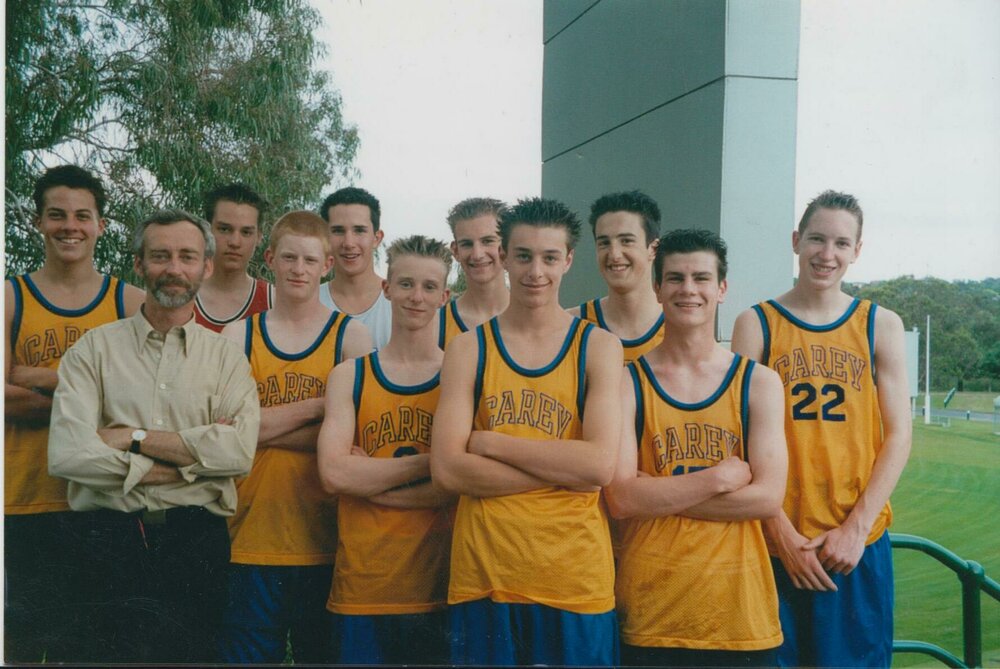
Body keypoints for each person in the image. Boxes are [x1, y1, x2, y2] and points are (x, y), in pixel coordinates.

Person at [48, 208, 260, 664]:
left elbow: (238, 453)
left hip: (194, 544)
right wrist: (191, 465)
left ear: (206, 266)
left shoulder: (227, 360)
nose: (174, 268)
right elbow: (68, 455)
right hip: (105, 540)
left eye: (187, 256)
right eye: (160, 256)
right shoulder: (93, 350)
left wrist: (130, 438)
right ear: (139, 264)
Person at [431, 197, 623, 666]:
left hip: (575, 580)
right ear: (503, 259)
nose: (536, 271)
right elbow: (449, 471)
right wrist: (565, 469)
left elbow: (599, 466)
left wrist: (491, 443)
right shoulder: (469, 348)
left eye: (550, 257)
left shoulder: (597, 346)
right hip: (485, 574)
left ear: (568, 260)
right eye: (523, 256)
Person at [731, 190, 912, 668]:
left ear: (857, 250)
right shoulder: (757, 323)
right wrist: (781, 534)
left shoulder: (880, 325)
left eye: (840, 243)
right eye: (816, 238)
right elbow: (738, 439)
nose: (826, 254)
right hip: (776, 542)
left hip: (854, 546)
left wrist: (856, 530)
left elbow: (898, 435)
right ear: (796, 240)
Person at [605, 229, 788, 667]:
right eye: (675, 278)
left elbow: (767, 498)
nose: (689, 289)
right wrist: (716, 479)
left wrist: (659, 493)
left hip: (741, 618)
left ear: (722, 288)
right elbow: (621, 498)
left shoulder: (758, 382)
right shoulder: (627, 382)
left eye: (701, 278)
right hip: (651, 614)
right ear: (657, 288)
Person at [216, 211, 372, 664]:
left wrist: (258, 428)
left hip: (326, 538)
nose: (298, 269)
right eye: (288, 258)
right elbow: (226, 432)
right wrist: (325, 407)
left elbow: (354, 441)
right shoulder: (239, 334)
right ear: (270, 259)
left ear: (327, 264)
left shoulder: (350, 335)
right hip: (251, 534)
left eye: (309, 260)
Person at [4, 165, 144, 662]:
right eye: (57, 215)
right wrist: (94, 400)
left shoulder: (128, 302)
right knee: (20, 648)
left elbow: (142, 402)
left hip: (101, 503)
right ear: (38, 222)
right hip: (23, 500)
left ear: (100, 225)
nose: (70, 226)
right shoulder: (10, 297)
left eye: (83, 216)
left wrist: (32, 376)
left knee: (90, 650)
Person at [318, 235, 456, 664]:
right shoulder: (350, 376)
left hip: (438, 585)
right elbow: (334, 475)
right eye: (406, 284)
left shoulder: (459, 375)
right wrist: (432, 464)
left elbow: (454, 486)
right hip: (363, 584)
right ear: (387, 288)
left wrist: (370, 485)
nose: (417, 297)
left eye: (430, 287)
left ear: (445, 296)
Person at [570, 190, 665, 361]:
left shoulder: (679, 327)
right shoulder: (571, 326)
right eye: (604, 243)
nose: (614, 254)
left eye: (626, 241)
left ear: (653, 248)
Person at [319, 186, 392, 348]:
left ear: (376, 238)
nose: (349, 243)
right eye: (338, 231)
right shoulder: (309, 302)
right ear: (324, 237)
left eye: (359, 231)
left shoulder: (400, 304)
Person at [194, 183, 272, 331]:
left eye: (246, 232)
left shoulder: (274, 302)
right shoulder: (181, 293)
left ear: (259, 237)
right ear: (206, 231)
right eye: (224, 229)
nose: (235, 242)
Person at [438, 197, 509, 349]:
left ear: (507, 246)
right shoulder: (436, 326)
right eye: (467, 244)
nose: (477, 254)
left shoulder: (533, 319)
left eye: (487, 241)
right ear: (455, 251)